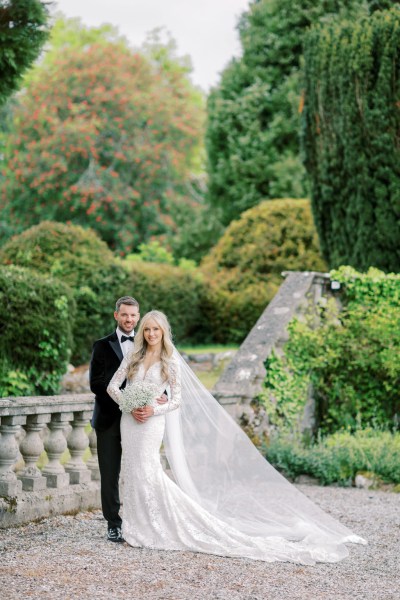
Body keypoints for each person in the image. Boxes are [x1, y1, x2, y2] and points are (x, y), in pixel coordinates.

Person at [107, 310, 367, 563]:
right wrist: (128, 405)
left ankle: (158, 524)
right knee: (131, 470)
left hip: (152, 422)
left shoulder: (170, 360)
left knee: (149, 470)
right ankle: (136, 526)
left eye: (156, 329)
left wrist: (153, 409)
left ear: (163, 332)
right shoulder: (134, 357)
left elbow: (176, 401)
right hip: (129, 421)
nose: (152, 333)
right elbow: (112, 386)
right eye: (148, 329)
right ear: (143, 332)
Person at [89, 296, 167, 543]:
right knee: (110, 474)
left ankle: (145, 519)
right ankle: (113, 523)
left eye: (133, 315)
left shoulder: (148, 343)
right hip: (111, 419)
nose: (129, 319)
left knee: (143, 468)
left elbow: (160, 376)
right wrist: (128, 402)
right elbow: (97, 384)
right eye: (124, 315)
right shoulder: (101, 346)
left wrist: (160, 395)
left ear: (138, 316)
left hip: (141, 421)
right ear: (116, 315)